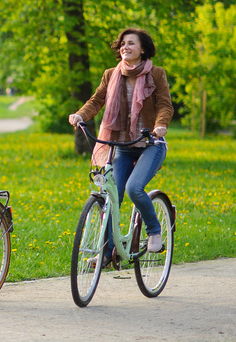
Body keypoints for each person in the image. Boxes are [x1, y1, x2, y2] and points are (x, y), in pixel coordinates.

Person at [68, 28, 173, 256]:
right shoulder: (111, 74)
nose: (125, 47)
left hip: (150, 145)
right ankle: (107, 252)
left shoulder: (156, 74)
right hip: (122, 147)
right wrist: (80, 115)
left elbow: (165, 104)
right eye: (123, 43)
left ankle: (154, 231)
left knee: (134, 188)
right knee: (110, 196)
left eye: (131, 43)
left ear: (142, 49)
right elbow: (96, 101)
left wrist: (160, 125)